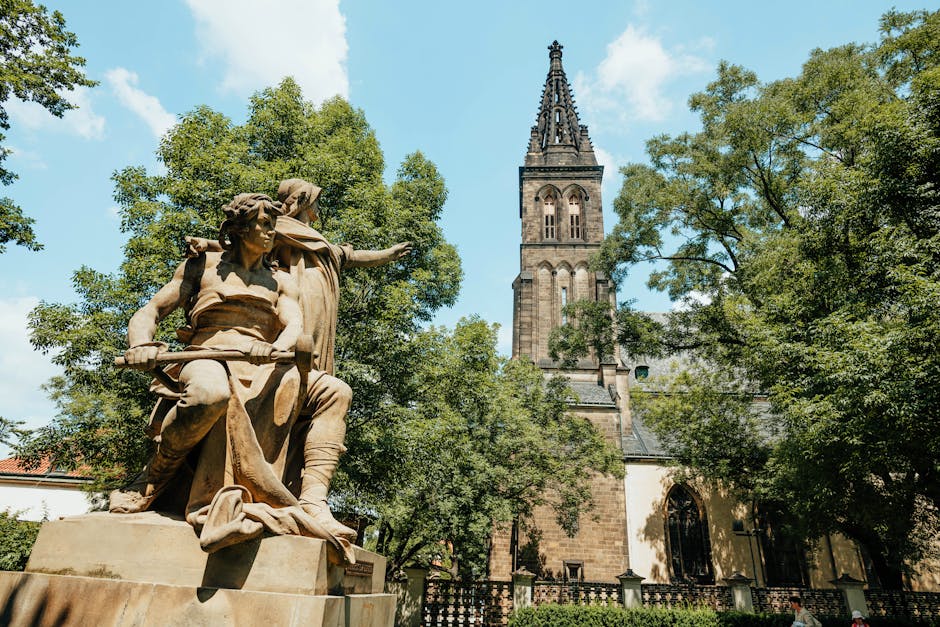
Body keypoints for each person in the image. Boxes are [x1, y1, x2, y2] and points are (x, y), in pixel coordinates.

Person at [110, 193, 355, 558]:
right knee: (209, 395)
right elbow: (152, 310)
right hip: (208, 355)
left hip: (264, 362)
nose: (272, 232)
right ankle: (153, 476)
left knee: (336, 391)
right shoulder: (203, 266)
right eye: (265, 224)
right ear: (239, 228)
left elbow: (293, 324)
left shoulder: (281, 281)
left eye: (273, 225)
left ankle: (313, 501)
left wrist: (275, 347)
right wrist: (141, 344)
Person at [185, 179, 410, 544]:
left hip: (304, 329)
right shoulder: (276, 234)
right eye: (314, 202)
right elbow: (238, 246)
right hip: (264, 332)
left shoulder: (317, 244)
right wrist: (204, 244)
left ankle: (313, 499)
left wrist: (387, 254)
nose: (317, 210)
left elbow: (349, 256)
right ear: (301, 202)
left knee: (327, 390)